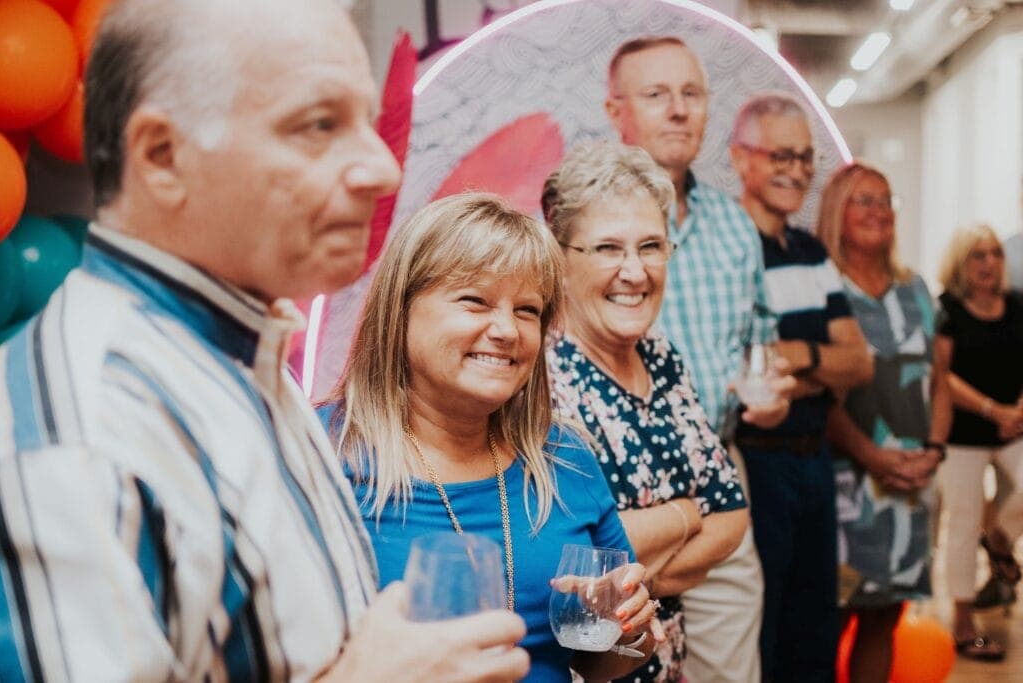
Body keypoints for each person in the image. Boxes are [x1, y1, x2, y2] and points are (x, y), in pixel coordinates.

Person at [0, 1, 534, 681]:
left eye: (365, 124)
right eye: (319, 125)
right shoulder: (77, 436)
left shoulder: (248, 358)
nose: (383, 169)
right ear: (163, 156)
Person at [321, 192, 664, 683]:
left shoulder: (565, 459)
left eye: (527, 310)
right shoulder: (320, 455)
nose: (506, 330)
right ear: (400, 310)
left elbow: (598, 661)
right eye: (474, 301)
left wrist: (627, 629)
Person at [605, 36, 793, 683]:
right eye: (657, 94)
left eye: (691, 94)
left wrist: (769, 398)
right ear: (616, 111)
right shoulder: (577, 222)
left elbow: (758, 347)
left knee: (730, 665)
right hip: (607, 494)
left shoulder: (733, 225)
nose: (678, 110)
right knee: (612, 664)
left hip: (717, 470)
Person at [542, 141, 750, 683]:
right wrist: (685, 515)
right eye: (609, 248)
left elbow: (731, 515)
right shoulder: (537, 379)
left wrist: (635, 584)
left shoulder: (661, 356)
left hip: (663, 660)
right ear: (560, 258)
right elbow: (568, 559)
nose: (634, 271)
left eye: (651, 246)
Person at [729, 92, 873, 682]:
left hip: (815, 461)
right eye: (780, 154)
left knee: (815, 624)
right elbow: (745, 369)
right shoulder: (725, 247)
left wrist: (800, 356)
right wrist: (820, 364)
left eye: (805, 156)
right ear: (742, 159)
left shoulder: (811, 251)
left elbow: (860, 363)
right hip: (755, 463)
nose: (797, 169)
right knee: (758, 627)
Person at [816, 162, 951, 682]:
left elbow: (939, 379)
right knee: (829, 620)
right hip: (847, 485)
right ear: (836, 211)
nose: (879, 212)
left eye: (886, 200)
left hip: (911, 485)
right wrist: (871, 455)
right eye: (864, 200)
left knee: (884, 620)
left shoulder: (914, 287)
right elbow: (816, 395)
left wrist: (935, 451)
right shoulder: (823, 286)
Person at [935, 223, 1023, 661]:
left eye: (994, 254)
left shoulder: (1018, 305)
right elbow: (942, 377)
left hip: (1014, 428)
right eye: (978, 255)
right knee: (963, 523)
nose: (989, 263)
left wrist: (1017, 409)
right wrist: (993, 409)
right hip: (964, 434)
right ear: (961, 263)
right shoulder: (947, 309)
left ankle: (1001, 538)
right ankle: (964, 622)